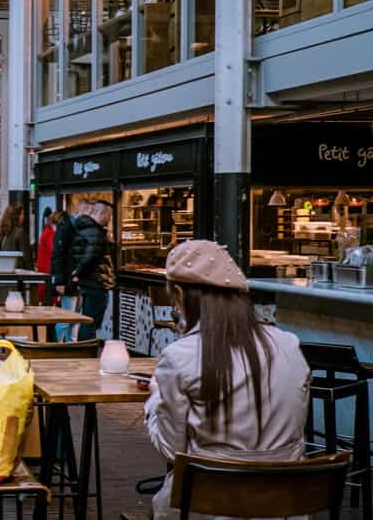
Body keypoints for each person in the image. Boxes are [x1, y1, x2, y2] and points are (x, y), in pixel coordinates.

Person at [145, 240, 311, 520]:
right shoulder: (289, 344)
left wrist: (154, 403)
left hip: (209, 505)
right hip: (284, 505)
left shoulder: (180, 356)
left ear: (180, 295)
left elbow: (171, 450)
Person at [68, 200, 114, 342]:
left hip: (88, 281)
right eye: (109, 216)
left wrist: (78, 274)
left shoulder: (83, 228)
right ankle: (87, 352)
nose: (110, 219)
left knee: (87, 320)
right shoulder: (95, 231)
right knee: (91, 322)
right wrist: (78, 273)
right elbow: (91, 255)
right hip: (96, 281)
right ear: (101, 214)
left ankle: (84, 349)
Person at [51, 201, 89, 341]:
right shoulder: (68, 227)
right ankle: (59, 346)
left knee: (72, 317)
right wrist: (59, 281)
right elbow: (58, 255)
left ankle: (68, 345)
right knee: (68, 317)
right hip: (69, 280)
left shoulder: (72, 227)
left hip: (73, 279)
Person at [36, 208, 64, 304]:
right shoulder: (49, 233)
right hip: (48, 271)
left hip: (45, 271)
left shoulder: (46, 231)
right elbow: (55, 250)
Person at [0, 203, 32, 271]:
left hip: (5, 271)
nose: (23, 217)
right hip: (19, 273)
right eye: (22, 214)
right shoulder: (20, 233)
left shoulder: (1, 232)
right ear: (16, 216)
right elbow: (27, 258)